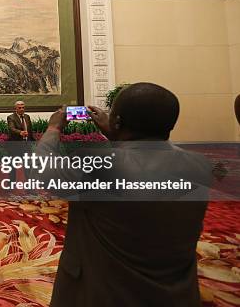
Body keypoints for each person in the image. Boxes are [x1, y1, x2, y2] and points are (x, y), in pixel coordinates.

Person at [35, 83, 212, 306]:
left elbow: (42, 170)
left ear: (117, 121)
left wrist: (53, 128)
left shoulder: (98, 164)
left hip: (102, 293)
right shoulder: (200, 165)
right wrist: (118, 135)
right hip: (174, 295)